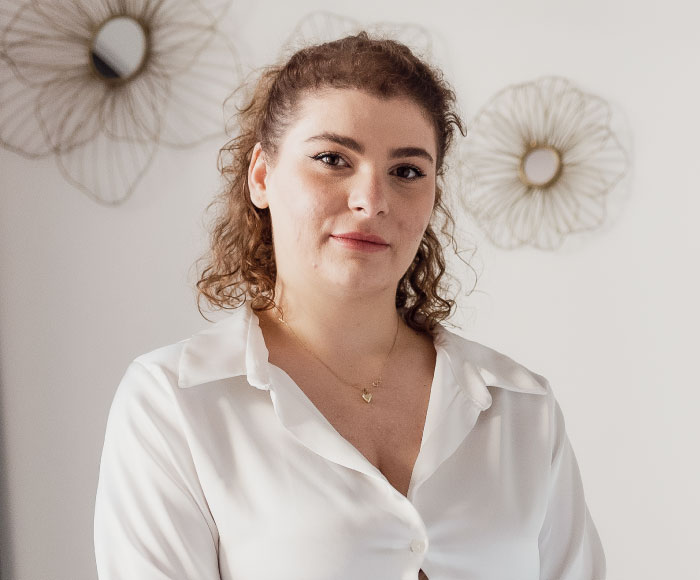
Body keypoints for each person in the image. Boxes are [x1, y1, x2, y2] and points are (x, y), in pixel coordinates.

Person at [94, 33, 606, 580]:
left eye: (407, 171)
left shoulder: (521, 407)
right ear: (262, 176)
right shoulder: (174, 401)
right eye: (332, 159)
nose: (371, 200)